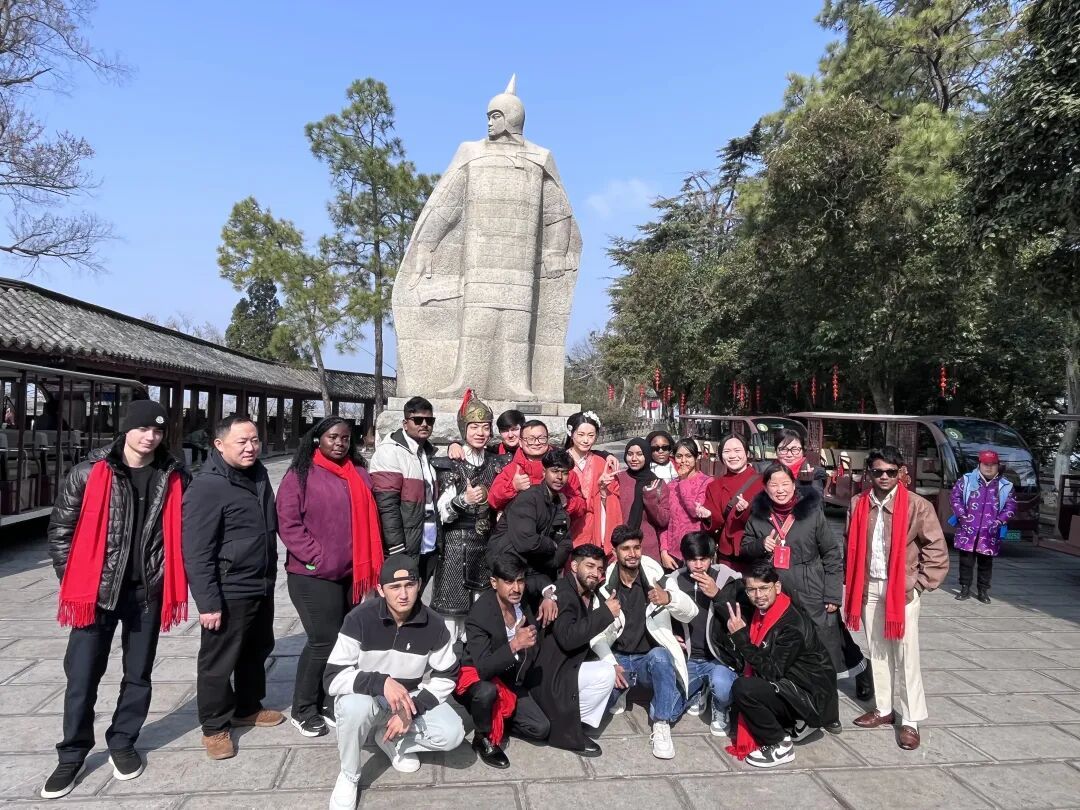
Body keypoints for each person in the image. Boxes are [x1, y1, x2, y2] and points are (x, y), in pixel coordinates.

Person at [41, 401, 189, 799]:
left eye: (158, 431)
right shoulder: (89, 472)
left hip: (146, 592)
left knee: (138, 674)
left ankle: (123, 741)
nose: (150, 437)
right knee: (82, 676)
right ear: (126, 429)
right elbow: (60, 531)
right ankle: (72, 753)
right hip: (95, 592)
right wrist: (75, 580)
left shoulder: (174, 475)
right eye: (143, 428)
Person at [324, 554, 464, 809]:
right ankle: (349, 775)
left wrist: (413, 709)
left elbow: (447, 674)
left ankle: (394, 740)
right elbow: (333, 677)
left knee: (453, 732)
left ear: (419, 585)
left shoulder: (434, 624)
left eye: (409, 585)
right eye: (395, 587)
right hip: (368, 697)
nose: (403, 594)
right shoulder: (359, 618)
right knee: (352, 707)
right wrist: (380, 682)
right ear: (380, 589)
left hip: (407, 699)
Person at [182, 415, 284, 761]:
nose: (250, 447)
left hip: (261, 582)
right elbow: (196, 551)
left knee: (257, 649)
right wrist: (208, 602)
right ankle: (214, 727)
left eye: (254, 440)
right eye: (241, 441)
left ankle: (248, 707)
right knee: (219, 660)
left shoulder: (258, 474)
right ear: (219, 444)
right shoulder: (207, 486)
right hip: (229, 588)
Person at [276, 416, 383, 738]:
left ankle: (327, 699)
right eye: (333, 437)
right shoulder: (300, 474)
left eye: (345, 438)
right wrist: (315, 556)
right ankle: (303, 708)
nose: (339, 443)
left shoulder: (358, 473)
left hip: (353, 573)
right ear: (317, 439)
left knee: (345, 641)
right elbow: (288, 522)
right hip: (314, 575)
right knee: (323, 640)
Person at [845, 446, 949, 751]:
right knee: (877, 650)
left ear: (901, 473)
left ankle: (911, 720)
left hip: (901, 591)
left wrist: (918, 585)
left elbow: (936, 549)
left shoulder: (917, 506)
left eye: (891, 471)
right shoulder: (858, 503)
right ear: (869, 473)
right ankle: (883, 709)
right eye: (878, 471)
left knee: (906, 656)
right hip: (869, 588)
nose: (884, 477)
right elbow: (849, 543)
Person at [592, 525, 697, 760]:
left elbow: (691, 612)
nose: (632, 554)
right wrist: (611, 665)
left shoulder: (655, 576)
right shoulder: (605, 585)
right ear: (615, 552)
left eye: (637, 548)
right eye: (626, 549)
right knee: (593, 716)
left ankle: (661, 723)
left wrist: (669, 599)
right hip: (618, 660)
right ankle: (622, 690)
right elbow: (596, 636)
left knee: (661, 657)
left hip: (646, 661)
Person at [721, 560, 839, 769]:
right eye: (752, 590)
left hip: (809, 697)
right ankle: (795, 723)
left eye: (764, 588)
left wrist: (741, 638)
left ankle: (779, 744)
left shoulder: (791, 625)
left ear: (777, 587)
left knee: (744, 689)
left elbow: (771, 671)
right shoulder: (771, 609)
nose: (758, 595)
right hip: (796, 685)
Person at [740, 463, 845, 687]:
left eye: (785, 484)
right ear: (765, 488)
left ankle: (826, 687)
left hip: (811, 585)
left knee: (821, 637)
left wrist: (833, 594)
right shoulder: (758, 516)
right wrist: (760, 544)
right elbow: (745, 549)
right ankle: (790, 686)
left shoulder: (812, 513)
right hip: (777, 588)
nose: (780, 490)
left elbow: (831, 553)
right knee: (783, 636)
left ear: (794, 484)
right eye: (774, 484)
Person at [456, 554, 549, 768]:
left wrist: (549, 596)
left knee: (541, 728)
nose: (516, 588)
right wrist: (515, 644)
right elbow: (484, 668)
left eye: (520, 581)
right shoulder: (480, 614)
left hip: (511, 676)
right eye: (508, 582)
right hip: (477, 677)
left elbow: (541, 580)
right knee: (486, 692)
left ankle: (500, 718)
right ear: (494, 582)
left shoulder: (520, 599)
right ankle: (483, 736)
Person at [431, 391, 509, 640]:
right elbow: (442, 512)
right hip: (456, 547)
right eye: (474, 427)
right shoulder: (450, 464)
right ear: (463, 429)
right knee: (451, 619)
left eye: (485, 427)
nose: (480, 432)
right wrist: (463, 500)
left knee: (481, 615)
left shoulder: (497, 463)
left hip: (486, 546)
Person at [531, 543, 618, 756]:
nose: (595, 573)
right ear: (574, 566)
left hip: (563, 667)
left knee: (607, 670)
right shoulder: (564, 594)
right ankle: (569, 730)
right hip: (551, 677)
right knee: (605, 673)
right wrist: (606, 613)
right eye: (590, 566)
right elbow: (568, 638)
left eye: (599, 569)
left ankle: (574, 723)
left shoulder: (578, 592)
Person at [669, 531, 742, 738]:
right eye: (693, 560)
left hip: (719, 659)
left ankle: (720, 705)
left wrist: (717, 594)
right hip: (689, 659)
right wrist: (670, 635)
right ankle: (699, 690)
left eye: (704, 559)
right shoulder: (674, 580)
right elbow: (659, 616)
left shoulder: (728, 578)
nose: (699, 565)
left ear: (713, 556)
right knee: (667, 711)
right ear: (684, 559)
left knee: (723, 688)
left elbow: (740, 615)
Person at [487, 448, 574, 621]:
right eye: (555, 471)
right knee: (508, 623)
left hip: (535, 571)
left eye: (564, 473)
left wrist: (550, 559)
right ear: (544, 472)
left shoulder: (558, 505)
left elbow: (565, 543)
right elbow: (526, 542)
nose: (560, 477)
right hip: (508, 568)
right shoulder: (529, 498)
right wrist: (551, 545)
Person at [370, 396, 439, 584]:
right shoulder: (390, 451)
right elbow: (387, 505)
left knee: (417, 594)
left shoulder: (427, 452)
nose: (424, 424)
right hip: (404, 546)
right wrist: (396, 548)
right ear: (405, 423)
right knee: (401, 597)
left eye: (429, 420)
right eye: (418, 420)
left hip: (427, 542)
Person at [950, 449, 1016, 603]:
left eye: (993, 464)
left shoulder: (1005, 485)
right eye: (986, 464)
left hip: (990, 532)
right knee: (966, 561)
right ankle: (964, 588)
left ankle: (983, 590)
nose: (989, 467)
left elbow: (1011, 506)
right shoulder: (966, 480)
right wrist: (962, 516)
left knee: (986, 563)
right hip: (967, 529)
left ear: (998, 465)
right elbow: (955, 498)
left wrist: (999, 521)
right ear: (979, 464)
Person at [487, 420, 585, 518]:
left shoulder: (563, 470)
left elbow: (582, 507)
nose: (537, 443)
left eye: (541, 438)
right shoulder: (511, 470)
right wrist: (513, 487)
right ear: (520, 442)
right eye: (530, 439)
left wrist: (567, 502)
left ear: (547, 439)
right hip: (520, 525)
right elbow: (493, 501)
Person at [702, 433, 765, 569]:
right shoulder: (714, 486)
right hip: (727, 553)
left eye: (737, 450)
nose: (732, 456)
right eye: (726, 451)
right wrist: (707, 516)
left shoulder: (762, 482)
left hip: (755, 549)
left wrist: (748, 511)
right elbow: (716, 521)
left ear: (747, 452)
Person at [565, 411, 622, 554]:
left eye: (591, 435)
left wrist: (603, 492)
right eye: (581, 434)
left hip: (595, 523)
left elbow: (614, 499)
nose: (586, 440)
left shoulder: (602, 463)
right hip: (567, 524)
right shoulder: (560, 460)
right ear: (571, 433)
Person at [658, 439, 713, 571]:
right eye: (679, 456)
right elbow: (664, 521)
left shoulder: (706, 482)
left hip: (696, 552)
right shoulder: (670, 486)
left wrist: (683, 481)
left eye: (688, 456)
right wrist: (664, 550)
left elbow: (695, 511)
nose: (683, 461)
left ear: (696, 457)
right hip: (673, 553)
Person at [615, 438, 667, 560]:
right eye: (630, 454)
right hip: (620, 545)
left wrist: (650, 498)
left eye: (639, 454)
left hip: (647, 547)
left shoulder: (657, 483)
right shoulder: (618, 479)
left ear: (647, 456)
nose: (634, 459)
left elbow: (663, 520)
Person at [774, 429, 827, 494]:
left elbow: (817, 500)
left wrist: (806, 485)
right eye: (783, 449)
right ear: (776, 451)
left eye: (795, 449)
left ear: (803, 451)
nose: (789, 455)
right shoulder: (766, 471)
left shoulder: (814, 473)